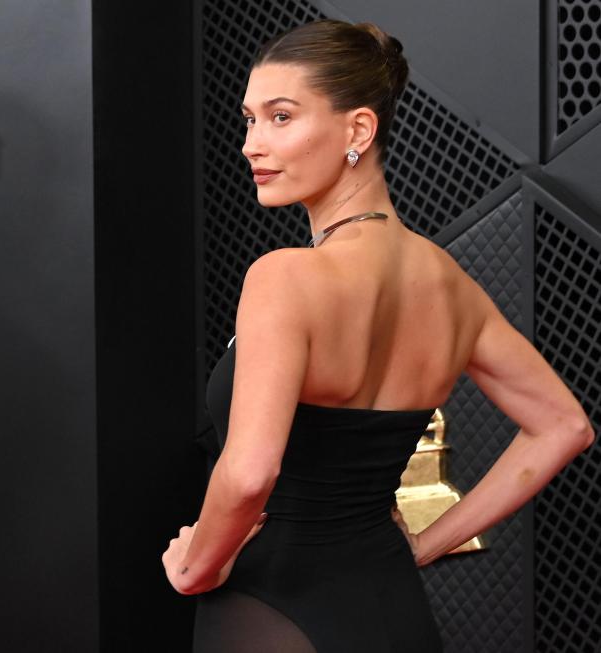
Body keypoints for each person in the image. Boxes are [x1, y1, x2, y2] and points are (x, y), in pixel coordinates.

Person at [161, 20, 594, 652]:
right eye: (250, 119)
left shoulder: (283, 277)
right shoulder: (452, 286)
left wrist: (196, 564)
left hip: (269, 611)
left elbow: (251, 472)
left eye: (281, 117)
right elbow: (566, 426)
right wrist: (424, 545)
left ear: (358, 130)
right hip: (392, 606)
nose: (253, 143)